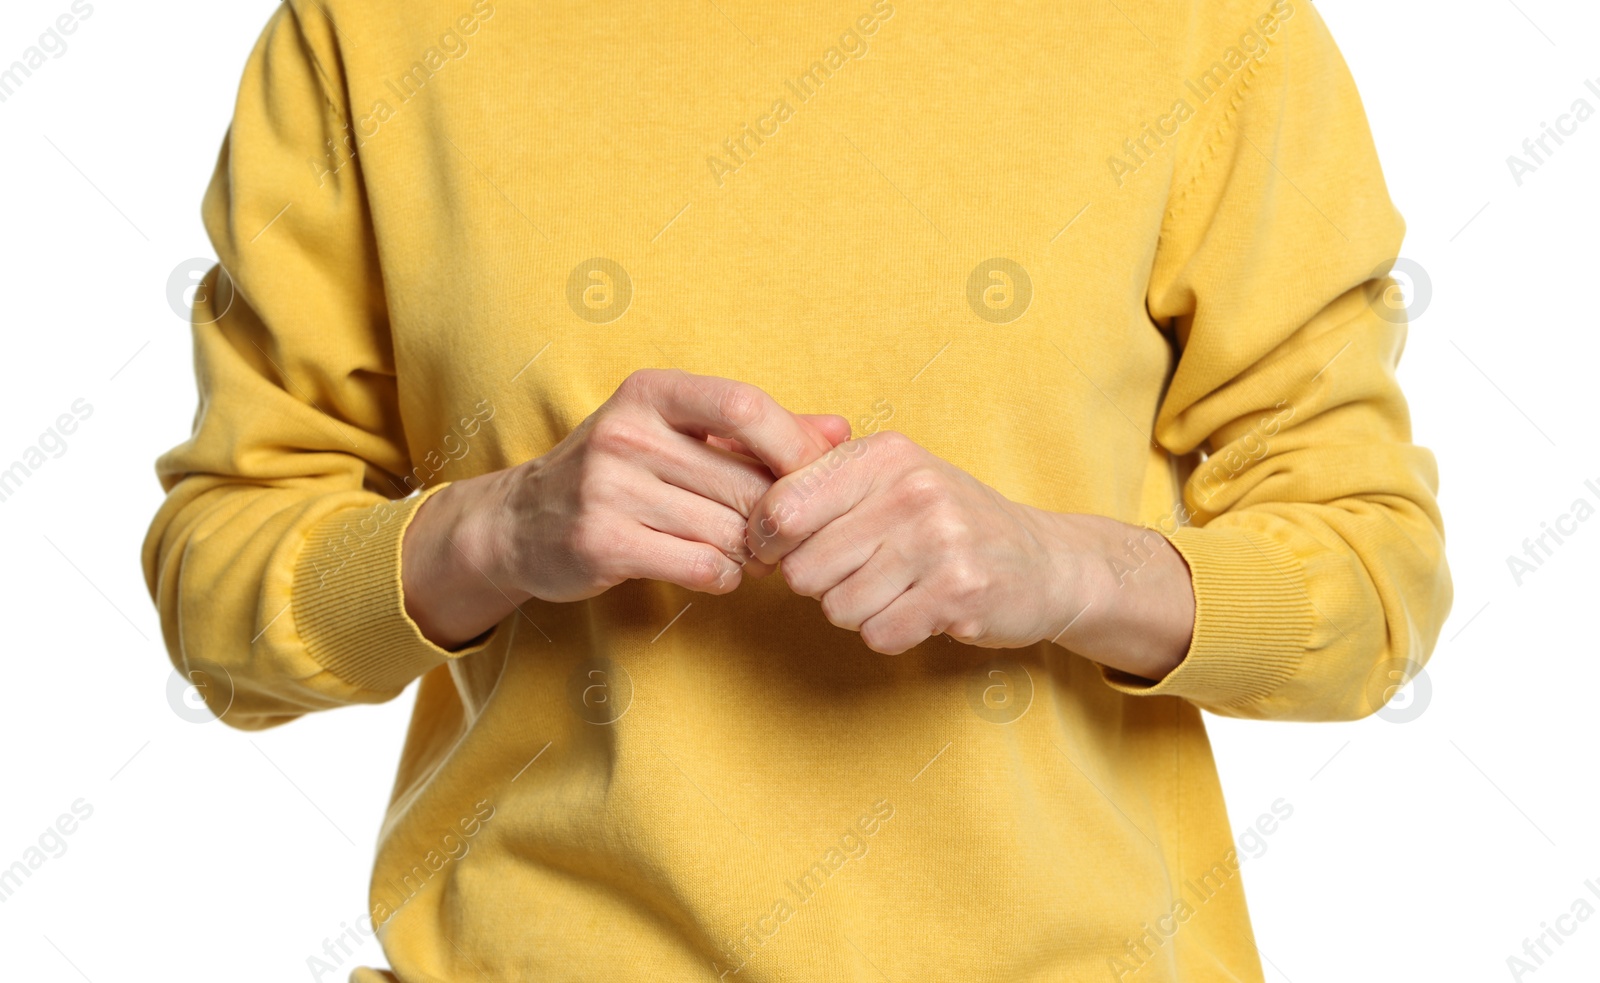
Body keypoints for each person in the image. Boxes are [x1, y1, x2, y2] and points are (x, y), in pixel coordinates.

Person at [142, 0, 1452, 979]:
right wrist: (496, 530)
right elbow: (220, 615)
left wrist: (1062, 571)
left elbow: (1372, 588)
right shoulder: (369, 32)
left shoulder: (1202, 28)